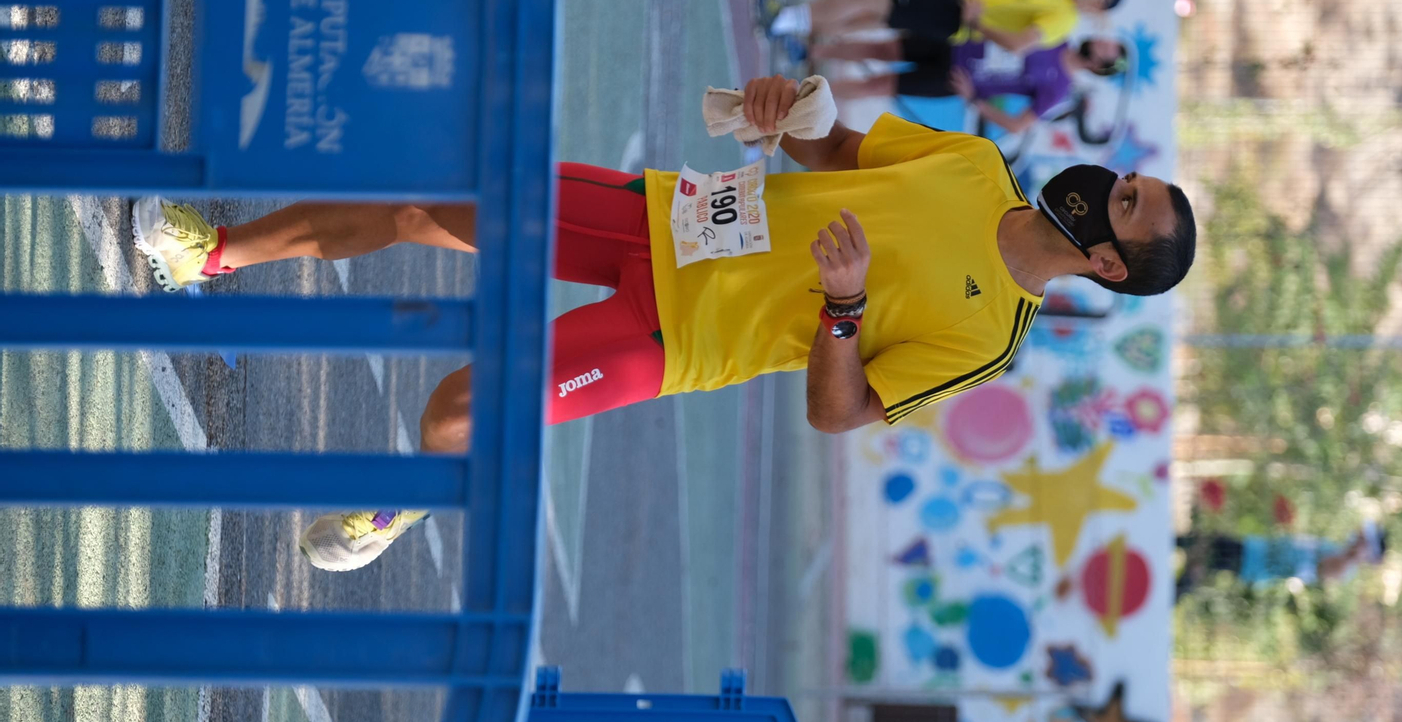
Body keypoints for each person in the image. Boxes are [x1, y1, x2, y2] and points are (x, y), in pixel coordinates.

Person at [132, 75, 1195, 569]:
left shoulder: (988, 344)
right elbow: (834, 152)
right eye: (1134, 179)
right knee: (429, 205)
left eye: (1129, 202)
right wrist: (798, 109)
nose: (1117, 180)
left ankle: (407, 509)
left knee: (456, 414)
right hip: (672, 218)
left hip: (679, 339)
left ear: (1104, 263)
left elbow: (840, 412)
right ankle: (211, 252)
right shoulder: (972, 166)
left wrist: (844, 306)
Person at [814, 35, 1128, 138]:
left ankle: (812, 94)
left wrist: (975, 100)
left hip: (956, 81)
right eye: (1106, 40)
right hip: (958, 43)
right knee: (882, 49)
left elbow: (1019, 125)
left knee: (878, 85)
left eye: (1107, 48)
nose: (1100, 41)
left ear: (1101, 66)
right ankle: (813, 52)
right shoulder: (1056, 37)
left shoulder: (1059, 88)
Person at [761, 0, 1109, 62]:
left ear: (1099, 5)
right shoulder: (1061, 0)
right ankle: (794, 29)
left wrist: (976, 21)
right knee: (869, 15)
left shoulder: (1064, 17)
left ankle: (784, 19)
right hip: (956, 8)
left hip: (957, 17)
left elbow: (1018, 45)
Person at [1174, 521, 1388, 599]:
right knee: (1205, 545)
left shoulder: (1344, 569)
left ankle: (1170, 596)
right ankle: (1164, 543)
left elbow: (1323, 570)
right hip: (1255, 548)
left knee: (1205, 555)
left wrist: (1353, 556)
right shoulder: (1337, 547)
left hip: (1255, 564)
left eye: (1364, 540)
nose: (1358, 536)